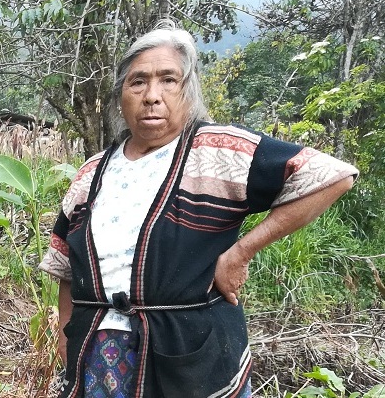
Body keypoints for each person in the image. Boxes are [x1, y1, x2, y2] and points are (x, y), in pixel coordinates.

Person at [38, 20, 358, 398]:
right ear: (120, 95)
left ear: (188, 90)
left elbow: (330, 175)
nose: (152, 95)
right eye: (137, 81)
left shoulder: (217, 150)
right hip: (99, 351)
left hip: (190, 355)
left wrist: (241, 252)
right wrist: (64, 334)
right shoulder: (91, 172)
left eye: (168, 80)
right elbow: (65, 268)